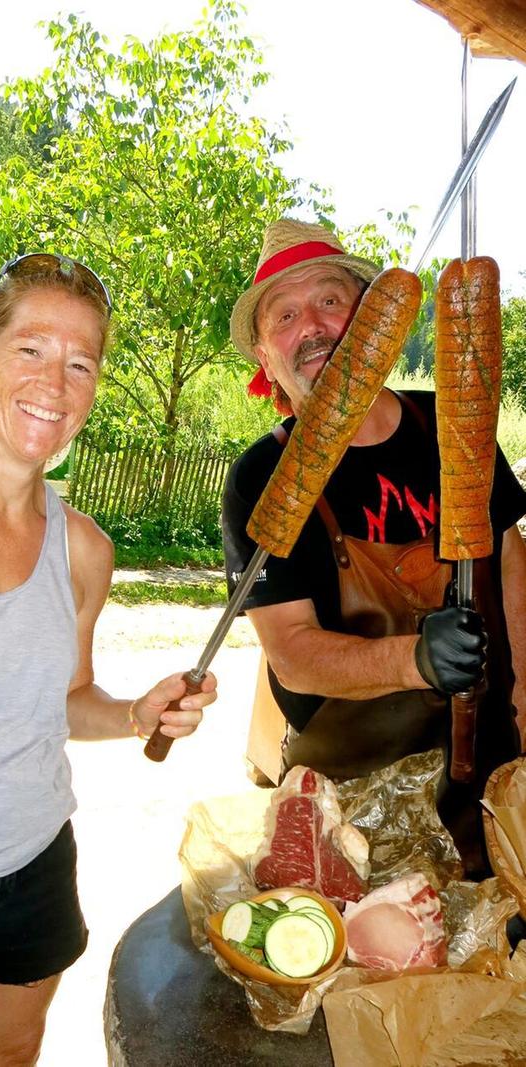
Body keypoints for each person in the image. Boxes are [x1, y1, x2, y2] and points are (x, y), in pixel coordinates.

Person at [0, 252, 217, 1065]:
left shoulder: (84, 549)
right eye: (30, 349)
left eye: (80, 362)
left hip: (33, 866)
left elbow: (65, 695)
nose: (54, 381)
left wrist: (134, 714)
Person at [222, 217, 526, 878]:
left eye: (331, 301)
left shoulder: (455, 424)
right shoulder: (261, 480)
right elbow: (293, 654)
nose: (313, 326)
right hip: (348, 807)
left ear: (370, 320)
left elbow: (511, 572)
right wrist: (414, 657)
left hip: (494, 786)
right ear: (266, 358)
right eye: (286, 315)